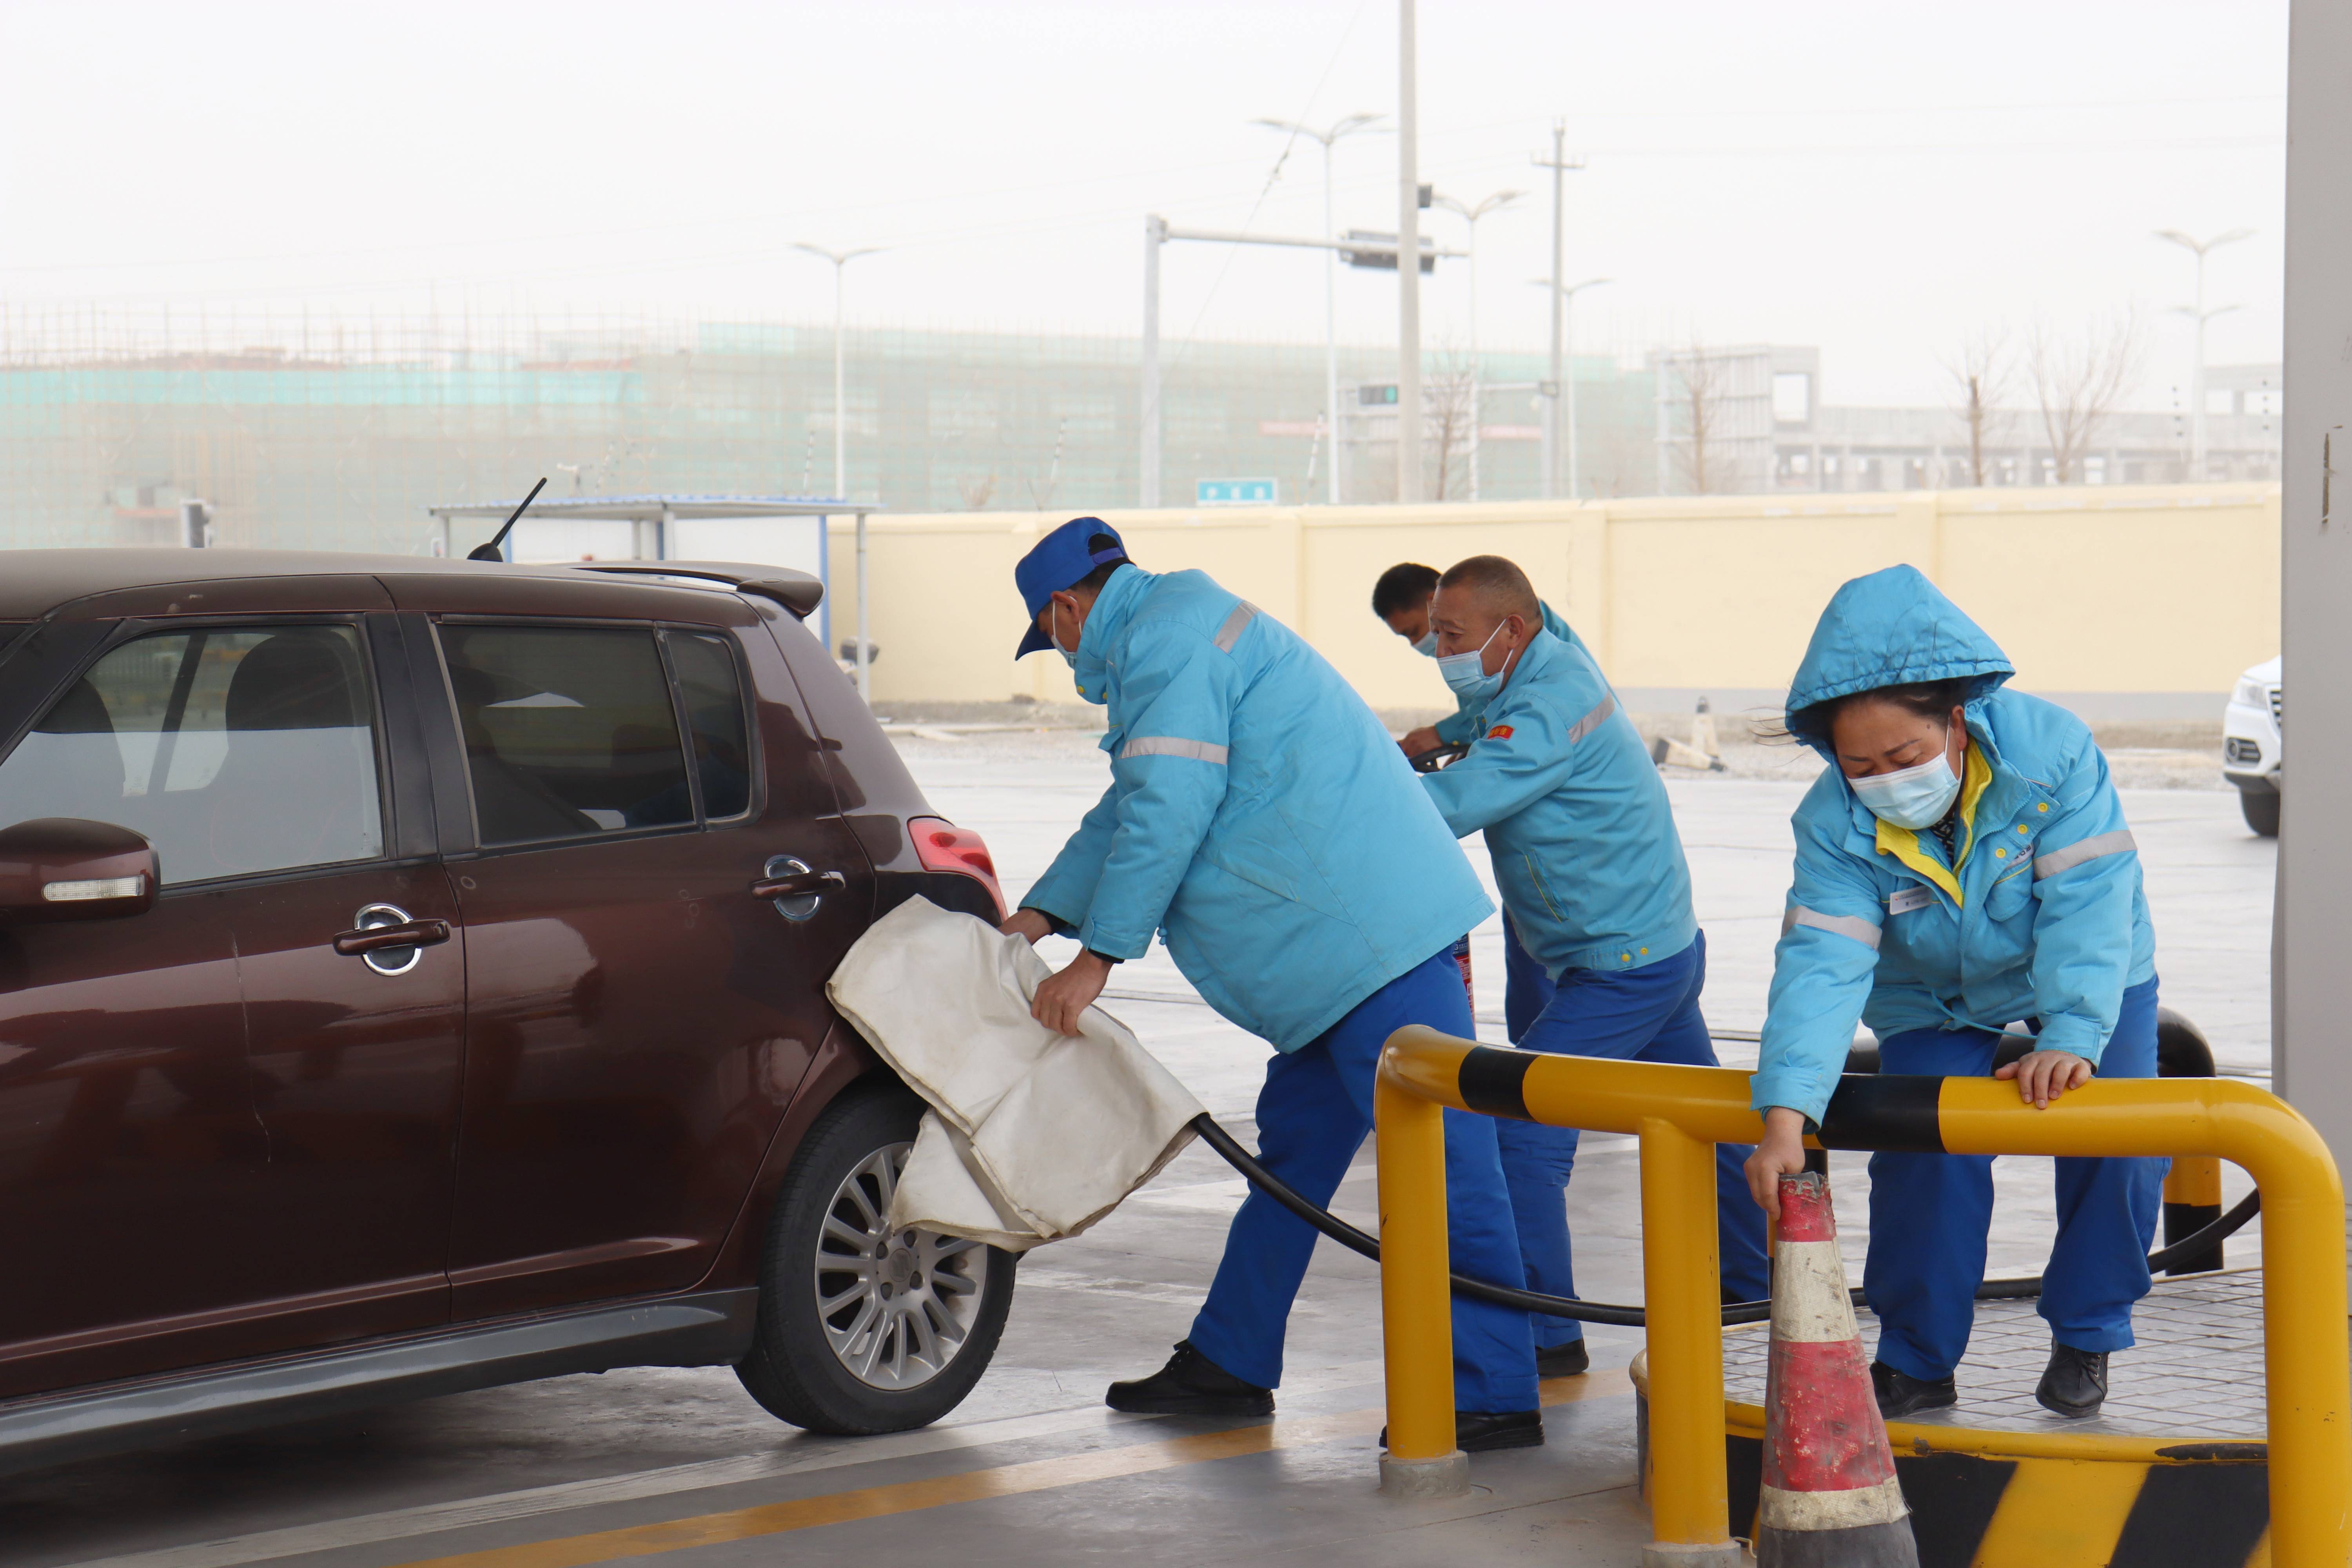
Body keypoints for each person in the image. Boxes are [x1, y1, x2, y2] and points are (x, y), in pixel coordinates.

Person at [1002, 518, 1546, 1452]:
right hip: (1332, 953)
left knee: (1448, 1167)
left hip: (1372, 939)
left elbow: (1168, 806)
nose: (1059, 653)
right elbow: (1135, 802)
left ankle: (1495, 1388)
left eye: (1048, 636)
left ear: (1062, 609)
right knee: (1291, 1163)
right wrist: (1043, 916)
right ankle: (1231, 1359)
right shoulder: (1174, 628)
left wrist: (1098, 958)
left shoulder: (1167, 641)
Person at [1742, 564, 2160, 1421]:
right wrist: (1787, 1110)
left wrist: (2075, 1031)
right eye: (1859, 763)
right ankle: (1918, 1356)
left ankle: (2088, 1326)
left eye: (1903, 755)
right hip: (1931, 994)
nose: (1885, 777)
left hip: (2086, 970)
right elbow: (1822, 962)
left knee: (2119, 1134)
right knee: (1925, 1157)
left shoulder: (2054, 753)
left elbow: (2088, 906)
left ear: (1956, 717)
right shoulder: (1834, 822)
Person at [1414, 555, 1770, 1376]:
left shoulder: (1545, 703)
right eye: (1435, 630)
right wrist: (1437, 735)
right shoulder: (1544, 657)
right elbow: (1486, 722)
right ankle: (1753, 1296)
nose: (1439, 648)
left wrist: (1354, 800)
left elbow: (1461, 802)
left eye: (1451, 633)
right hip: (1657, 941)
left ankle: (1548, 1333)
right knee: (1711, 1120)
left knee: (1522, 1133)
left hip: (1623, 964)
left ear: (1515, 628)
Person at [1371, 560, 1583, 1045]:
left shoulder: (1545, 689)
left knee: (1535, 1093)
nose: (1434, 649)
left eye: (1436, 632)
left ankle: (1530, 1062)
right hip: (1646, 933)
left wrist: (1369, 798)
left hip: (1604, 928)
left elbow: (1467, 796)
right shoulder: (1515, 659)